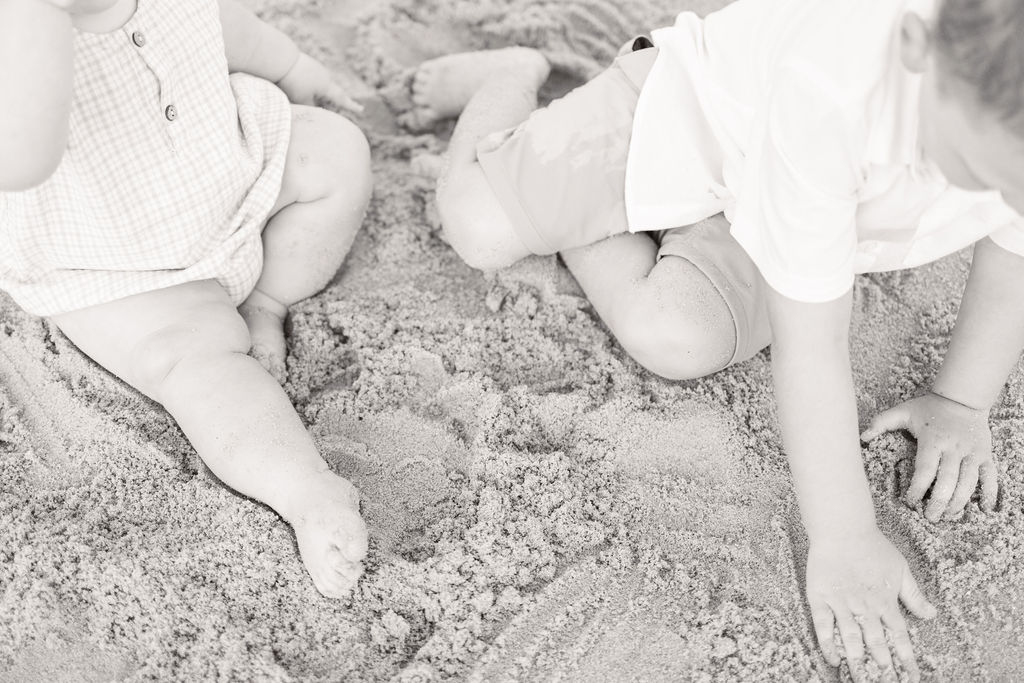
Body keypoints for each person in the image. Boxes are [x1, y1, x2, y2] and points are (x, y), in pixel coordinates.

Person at [409, 0, 1024, 676]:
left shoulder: (997, 120)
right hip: (690, 119)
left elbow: (1012, 254)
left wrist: (962, 401)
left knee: (675, 337)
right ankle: (508, 79)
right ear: (917, 50)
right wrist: (845, 538)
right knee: (477, 224)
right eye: (991, 172)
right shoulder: (833, 92)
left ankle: (586, 212)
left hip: (805, 212)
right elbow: (811, 349)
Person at [0, 0, 372, 598]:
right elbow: (20, 157)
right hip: (121, 267)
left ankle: (267, 299)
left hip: (227, 174)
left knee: (336, 153)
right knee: (195, 363)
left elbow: (217, 22)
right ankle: (302, 487)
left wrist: (294, 62)